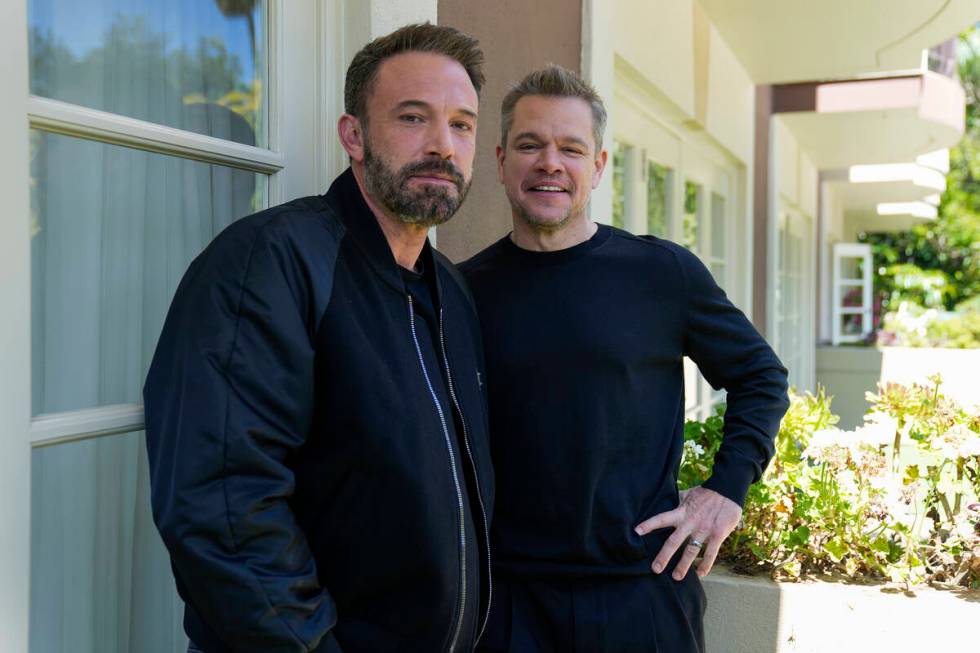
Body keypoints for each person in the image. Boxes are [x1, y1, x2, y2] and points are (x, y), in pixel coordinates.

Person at [144, 23, 494, 653]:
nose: (443, 145)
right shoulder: (268, 263)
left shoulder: (452, 292)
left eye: (462, 124)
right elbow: (224, 510)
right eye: (413, 117)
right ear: (352, 135)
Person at [460, 65, 789, 653]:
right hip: (507, 603)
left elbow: (760, 377)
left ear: (599, 166)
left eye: (571, 148)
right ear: (501, 158)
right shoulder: (462, 292)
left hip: (642, 594)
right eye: (531, 145)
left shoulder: (662, 275)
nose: (550, 163)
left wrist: (726, 491)